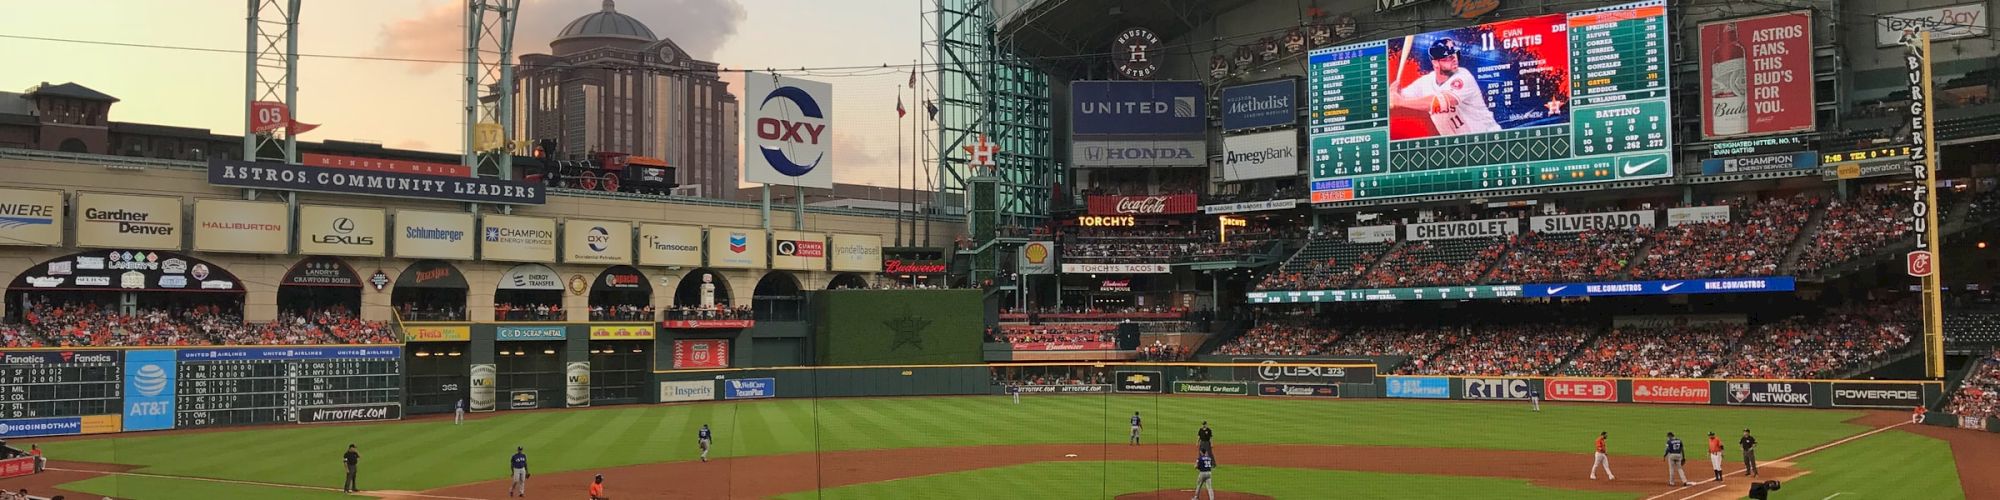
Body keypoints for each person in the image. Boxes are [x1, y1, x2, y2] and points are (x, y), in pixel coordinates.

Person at [1392, 38, 1500, 137]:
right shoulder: (1425, 82)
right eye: (1448, 57)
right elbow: (1396, 99)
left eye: (1454, 54)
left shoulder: (1463, 77)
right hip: (1460, 146)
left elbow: (1440, 102)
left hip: (1489, 139)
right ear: (1435, 63)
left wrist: (1400, 102)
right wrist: (1392, 93)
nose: (1454, 59)